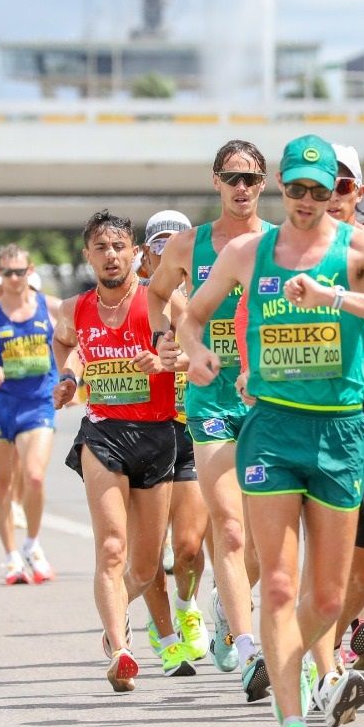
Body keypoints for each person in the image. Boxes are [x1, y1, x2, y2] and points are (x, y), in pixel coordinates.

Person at [179, 134, 364, 727]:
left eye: (324, 190)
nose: (310, 201)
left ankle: (286, 667)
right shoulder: (246, 252)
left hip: (339, 428)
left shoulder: (360, 247)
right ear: (282, 188)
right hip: (272, 430)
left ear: (340, 192)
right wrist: (196, 354)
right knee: (279, 583)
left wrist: (334, 297)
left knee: (329, 599)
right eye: (299, 189)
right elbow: (192, 316)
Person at [147, 140, 273, 690]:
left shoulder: (280, 244)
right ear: (216, 182)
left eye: (250, 178)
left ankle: (229, 604)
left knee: (267, 539)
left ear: (264, 183)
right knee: (228, 525)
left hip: (270, 400)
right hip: (211, 399)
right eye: (231, 177)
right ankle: (250, 652)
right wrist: (169, 343)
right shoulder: (188, 246)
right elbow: (155, 296)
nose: (241, 187)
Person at [53, 211, 195, 692]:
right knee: (111, 547)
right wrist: (69, 377)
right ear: (88, 255)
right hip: (103, 432)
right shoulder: (75, 307)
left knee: (144, 565)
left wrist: (165, 361)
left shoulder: (163, 301)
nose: (111, 256)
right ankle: (120, 650)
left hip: (158, 436)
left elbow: (194, 356)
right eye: (101, 248)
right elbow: (68, 344)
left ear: (136, 253)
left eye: (119, 247)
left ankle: (115, 620)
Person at [141, 211, 211, 664]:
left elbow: (215, 353)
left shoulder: (205, 297)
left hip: (189, 427)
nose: (168, 253)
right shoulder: (132, 300)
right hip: (142, 431)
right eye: (158, 246)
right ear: (147, 255)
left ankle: (187, 608)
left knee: (188, 546)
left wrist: (183, 363)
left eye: (175, 244)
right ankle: (161, 627)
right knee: (148, 551)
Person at [0, 244, 58, 585]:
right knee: (2, 485)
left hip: (38, 404)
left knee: (34, 476)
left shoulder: (49, 308)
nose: (14, 279)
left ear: (30, 270)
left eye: (20, 272)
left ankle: (33, 543)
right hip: (1, 407)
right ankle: (11, 556)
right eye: (8, 273)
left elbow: (77, 337)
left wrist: (72, 375)